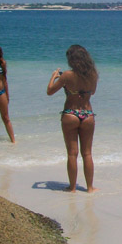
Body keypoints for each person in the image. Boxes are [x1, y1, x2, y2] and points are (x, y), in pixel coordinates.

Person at [47, 45, 99, 193]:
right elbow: (93, 92)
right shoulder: (93, 75)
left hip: (70, 113)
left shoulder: (67, 75)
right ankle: (89, 187)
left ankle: (72, 187)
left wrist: (53, 77)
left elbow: (49, 91)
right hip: (87, 114)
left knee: (72, 153)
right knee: (87, 153)